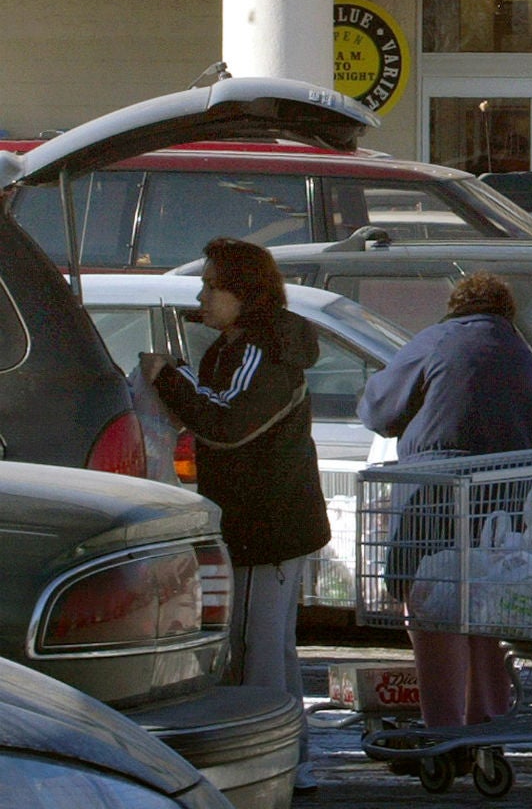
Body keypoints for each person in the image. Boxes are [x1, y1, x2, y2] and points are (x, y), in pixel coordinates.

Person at [144, 239, 329, 796]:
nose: (202, 295)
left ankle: (267, 767)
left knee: (254, 649)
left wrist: (164, 380)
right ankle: (294, 758)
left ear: (242, 294)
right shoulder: (234, 348)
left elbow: (228, 424)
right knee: (273, 648)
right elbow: (217, 408)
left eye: (211, 285)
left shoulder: (264, 351)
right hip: (262, 520)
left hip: (265, 525)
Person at [358, 273, 532, 736]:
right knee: (482, 605)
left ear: (455, 307)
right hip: (504, 494)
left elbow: (380, 410)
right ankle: (487, 715)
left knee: (428, 604)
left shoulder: (438, 339)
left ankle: (443, 726)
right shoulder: (522, 355)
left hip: (435, 490)